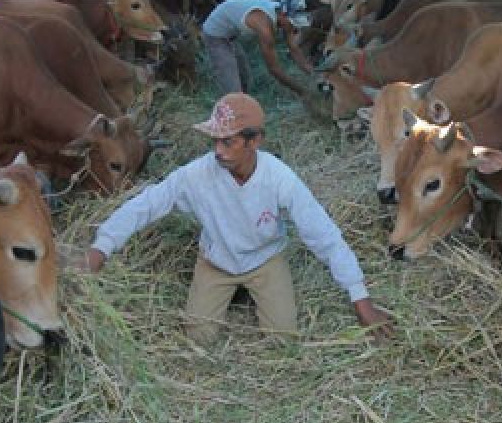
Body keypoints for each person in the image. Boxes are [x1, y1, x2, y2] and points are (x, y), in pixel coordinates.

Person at [86, 92, 391, 344]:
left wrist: (360, 298)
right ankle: (230, 292)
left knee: (283, 339)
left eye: (228, 141)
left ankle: (251, 291)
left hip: (265, 260)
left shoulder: (279, 179)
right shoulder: (197, 174)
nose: (218, 151)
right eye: (214, 141)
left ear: (254, 141)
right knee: (198, 338)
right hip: (216, 261)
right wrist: (103, 245)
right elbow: (147, 204)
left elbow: (322, 234)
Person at [201, 0, 316, 102]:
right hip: (215, 34)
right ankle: (233, 113)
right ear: (282, 14)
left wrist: (315, 75)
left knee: (245, 79)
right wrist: (302, 91)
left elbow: (294, 49)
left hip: (231, 33)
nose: (294, 26)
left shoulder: (282, 16)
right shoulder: (264, 27)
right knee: (233, 90)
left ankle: (243, 107)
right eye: (292, 22)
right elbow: (274, 69)